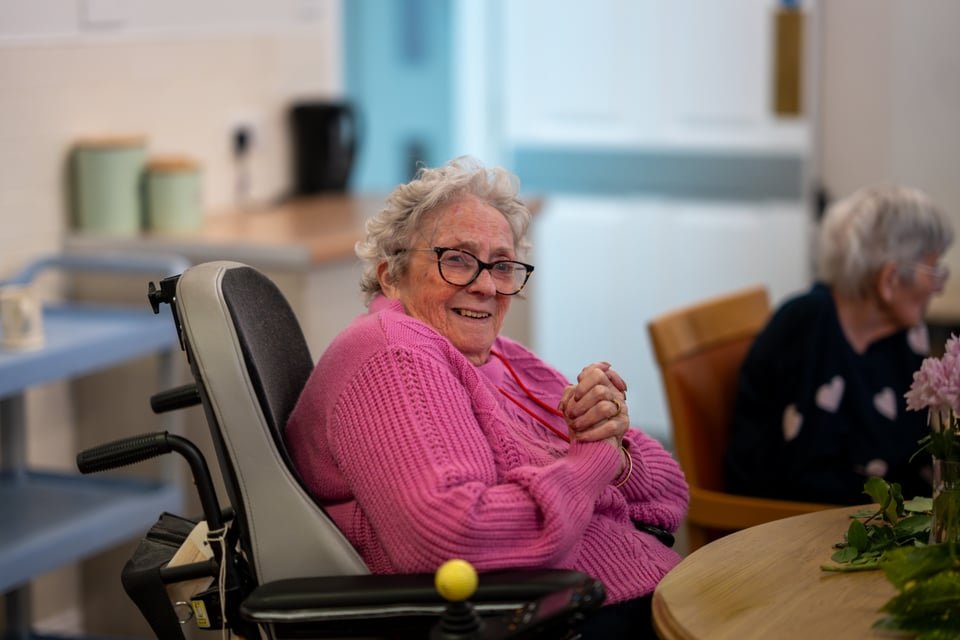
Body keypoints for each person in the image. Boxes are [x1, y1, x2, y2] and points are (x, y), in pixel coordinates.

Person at [285, 156, 689, 638]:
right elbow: (453, 538)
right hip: (557, 618)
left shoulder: (500, 357)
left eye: (501, 265)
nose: (485, 286)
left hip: (633, 587)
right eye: (456, 259)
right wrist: (594, 458)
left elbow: (668, 494)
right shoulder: (393, 355)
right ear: (391, 275)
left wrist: (615, 448)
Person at [725, 185, 954, 505]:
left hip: (871, 518)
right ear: (889, 279)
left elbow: (915, 453)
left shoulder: (903, 337)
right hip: (788, 523)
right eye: (933, 269)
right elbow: (793, 476)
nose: (938, 287)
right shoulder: (805, 325)